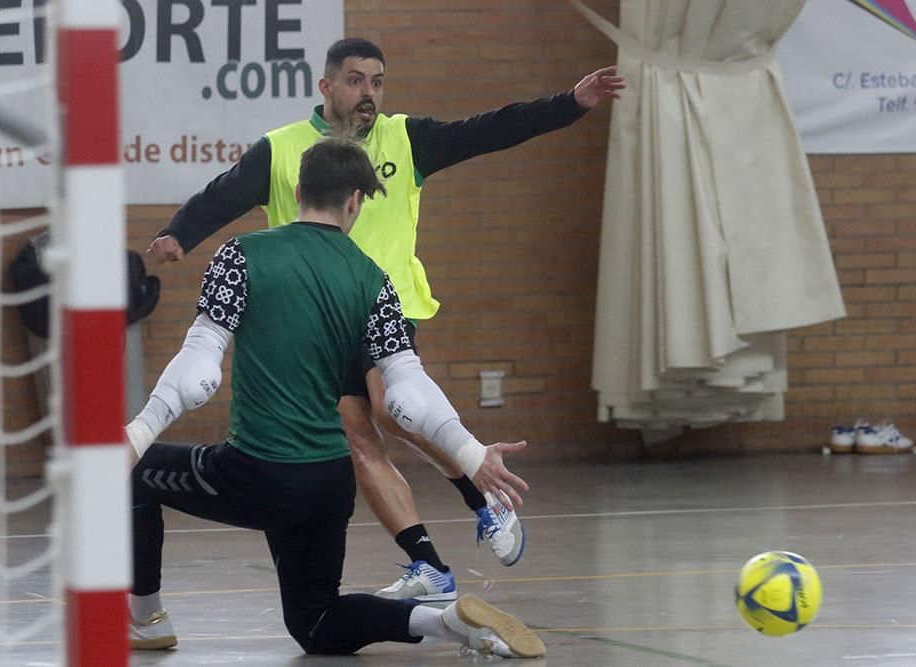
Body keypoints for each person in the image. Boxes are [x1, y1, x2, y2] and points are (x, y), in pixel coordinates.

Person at [147, 37, 625, 601]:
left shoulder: (407, 139)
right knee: (359, 435)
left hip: (382, 311)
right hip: (317, 320)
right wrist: (180, 232)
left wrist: (569, 103)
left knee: (395, 416)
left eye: (377, 82)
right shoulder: (282, 150)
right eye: (355, 81)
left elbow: (488, 130)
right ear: (326, 87)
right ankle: (430, 562)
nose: (368, 93)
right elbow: (222, 195)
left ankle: (481, 500)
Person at [124, 138, 545, 659]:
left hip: (260, 472)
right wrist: (472, 454)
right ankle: (449, 622)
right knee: (317, 623)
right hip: (329, 481)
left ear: (298, 191)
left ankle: (146, 619)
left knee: (132, 472)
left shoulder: (241, 256)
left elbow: (198, 367)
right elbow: (409, 394)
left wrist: (137, 433)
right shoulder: (372, 278)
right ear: (355, 201)